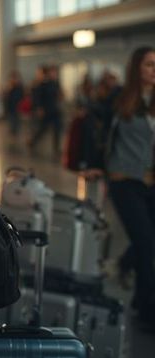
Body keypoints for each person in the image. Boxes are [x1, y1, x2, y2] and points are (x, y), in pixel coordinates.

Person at [105, 46, 155, 331]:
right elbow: (98, 131)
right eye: (149, 64)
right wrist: (95, 163)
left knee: (148, 240)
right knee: (146, 241)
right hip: (125, 181)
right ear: (137, 68)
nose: (154, 70)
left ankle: (125, 266)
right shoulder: (120, 99)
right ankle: (147, 305)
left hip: (151, 182)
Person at [29, 65, 64, 158]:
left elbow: (59, 95)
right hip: (46, 110)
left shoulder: (55, 83)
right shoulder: (42, 84)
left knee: (57, 129)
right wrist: (40, 108)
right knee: (43, 129)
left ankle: (56, 148)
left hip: (55, 110)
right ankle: (33, 141)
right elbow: (38, 97)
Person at [4, 71, 24, 149]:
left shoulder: (19, 87)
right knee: (12, 124)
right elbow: (6, 98)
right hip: (11, 109)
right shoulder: (10, 87)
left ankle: (14, 138)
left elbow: (19, 97)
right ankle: (12, 138)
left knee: (16, 124)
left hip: (17, 109)